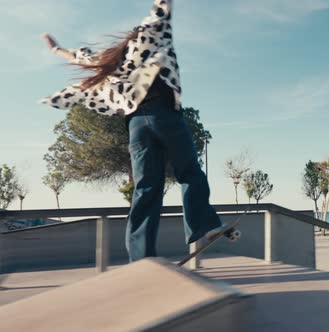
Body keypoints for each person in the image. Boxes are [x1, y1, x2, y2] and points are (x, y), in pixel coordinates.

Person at [40, 0, 225, 262]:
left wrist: (57, 49)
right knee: (189, 172)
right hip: (164, 116)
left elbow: (83, 56)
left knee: (146, 188)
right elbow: (162, 9)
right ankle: (203, 225)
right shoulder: (156, 37)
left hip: (137, 126)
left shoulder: (113, 61)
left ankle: (141, 256)